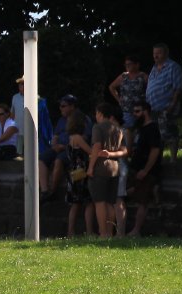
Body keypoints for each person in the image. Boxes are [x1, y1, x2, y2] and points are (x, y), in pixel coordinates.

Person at [125, 100, 164, 236]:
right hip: (136, 169)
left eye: (137, 111)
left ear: (145, 112)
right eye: (134, 112)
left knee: (143, 201)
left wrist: (146, 170)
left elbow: (155, 150)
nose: (135, 114)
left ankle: (136, 230)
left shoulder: (152, 128)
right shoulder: (140, 128)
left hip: (147, 172)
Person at [88, 102, 126, 239]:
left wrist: (90, 167)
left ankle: (103, 233)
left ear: (100, 113)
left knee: (100, 202)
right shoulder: (118, 129)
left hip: (100, 167)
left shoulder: (97, 127)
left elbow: (97, 147)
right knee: (110, 202)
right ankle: (110, 232)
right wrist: (111, 154)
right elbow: (124, 151)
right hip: (115, 168)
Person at [146, 43, 182, 160]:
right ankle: (158, 160)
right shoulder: (154, 68)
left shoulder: (173, 67)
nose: (156, 56)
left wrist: (172, 105)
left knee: (169, 133)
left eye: (159, 53)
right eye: (154, 53)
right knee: (157, 136)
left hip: (167, 107)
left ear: (166, 53)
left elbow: (178, 88)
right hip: (153, 108)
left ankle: (173, 160)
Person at [63, 107, 95, 238]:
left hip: (74, 172)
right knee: (89, 201)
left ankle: (70, 232)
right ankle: (89, 231)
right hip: (81, 172)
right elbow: (90, 152)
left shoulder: (71, 137)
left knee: (75, 203)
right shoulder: (78, 138)